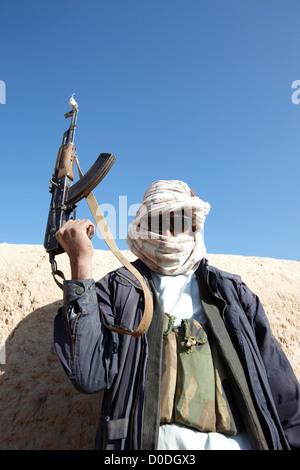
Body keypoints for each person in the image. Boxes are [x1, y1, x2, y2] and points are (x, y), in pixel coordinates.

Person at [54, 180, 300, 450]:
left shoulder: (232, 293)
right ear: (144, 224)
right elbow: (88, 374)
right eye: (159, 221)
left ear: (193, 223)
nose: (169, 233)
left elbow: (283, 392)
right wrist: (80, 264)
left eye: (179, 219)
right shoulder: (118, 288)